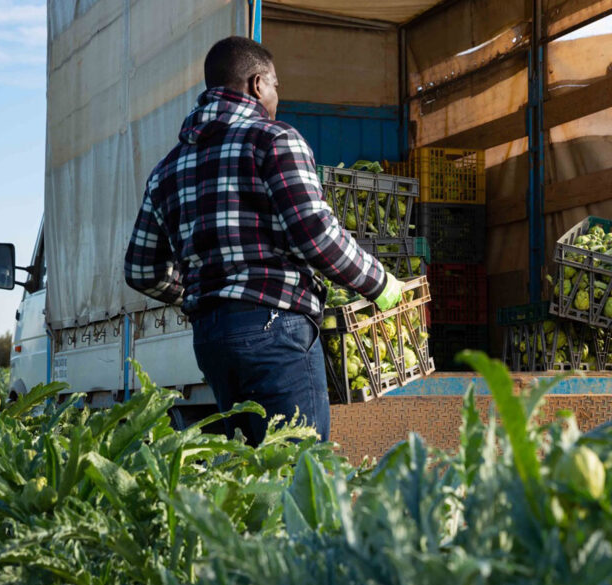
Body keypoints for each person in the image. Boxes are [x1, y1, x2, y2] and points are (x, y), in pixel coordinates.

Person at [124, 36, 403, 445]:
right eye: (276, 86)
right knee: (298, 470)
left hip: (212, 338)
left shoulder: (167, 168)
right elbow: (316, 235)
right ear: (257, 84)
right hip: (275, 328)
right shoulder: (273, 138)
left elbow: (141, 270)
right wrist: (381, 284)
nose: (277, 97)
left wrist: (208, 291)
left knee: (250, 475)